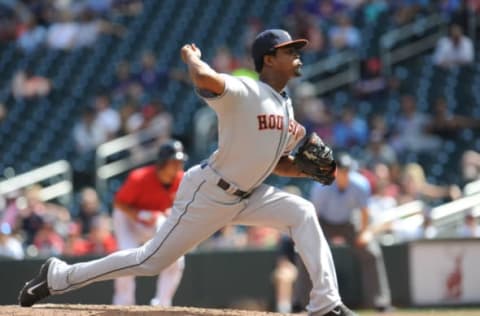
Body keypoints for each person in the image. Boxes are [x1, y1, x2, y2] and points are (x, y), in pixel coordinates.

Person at [18, 29, 354, 316]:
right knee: (149, 261)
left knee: (303, 211)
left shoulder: (286, 106)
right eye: (289, 50)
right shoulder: (245, 89)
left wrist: (308, 172)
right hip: (211, 192)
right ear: (268, 59)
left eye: (297, 50)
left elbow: (279, 162)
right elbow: (207, 79)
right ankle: (59, 276)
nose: (298, 54)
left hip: (251, 194)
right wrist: (192, 59)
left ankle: (326, 304)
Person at [308, 153, 392, 312]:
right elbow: (313, 214)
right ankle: (299, 302)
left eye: (347, 170)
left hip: (349, 222)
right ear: (334, 171)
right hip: (324, 222)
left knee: (371, 252)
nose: (344, 174)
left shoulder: (360, 184)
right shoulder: (321, 185)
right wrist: (313, 238)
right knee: (306, 252)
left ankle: (381, 302)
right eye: (341, 170)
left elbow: (364, 211)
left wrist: (365, 232)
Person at [111, 140, 186, 306]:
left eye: (180, 162)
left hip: (155, 220)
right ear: (162, 162)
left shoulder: (182, 179)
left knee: (176, 256)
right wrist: (140, 214)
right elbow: (119, 204)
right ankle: (122, 305)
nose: (177, 166)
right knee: (127, 256)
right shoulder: (139, 177)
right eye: (173, 162)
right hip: (128, 220)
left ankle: (162, 304)